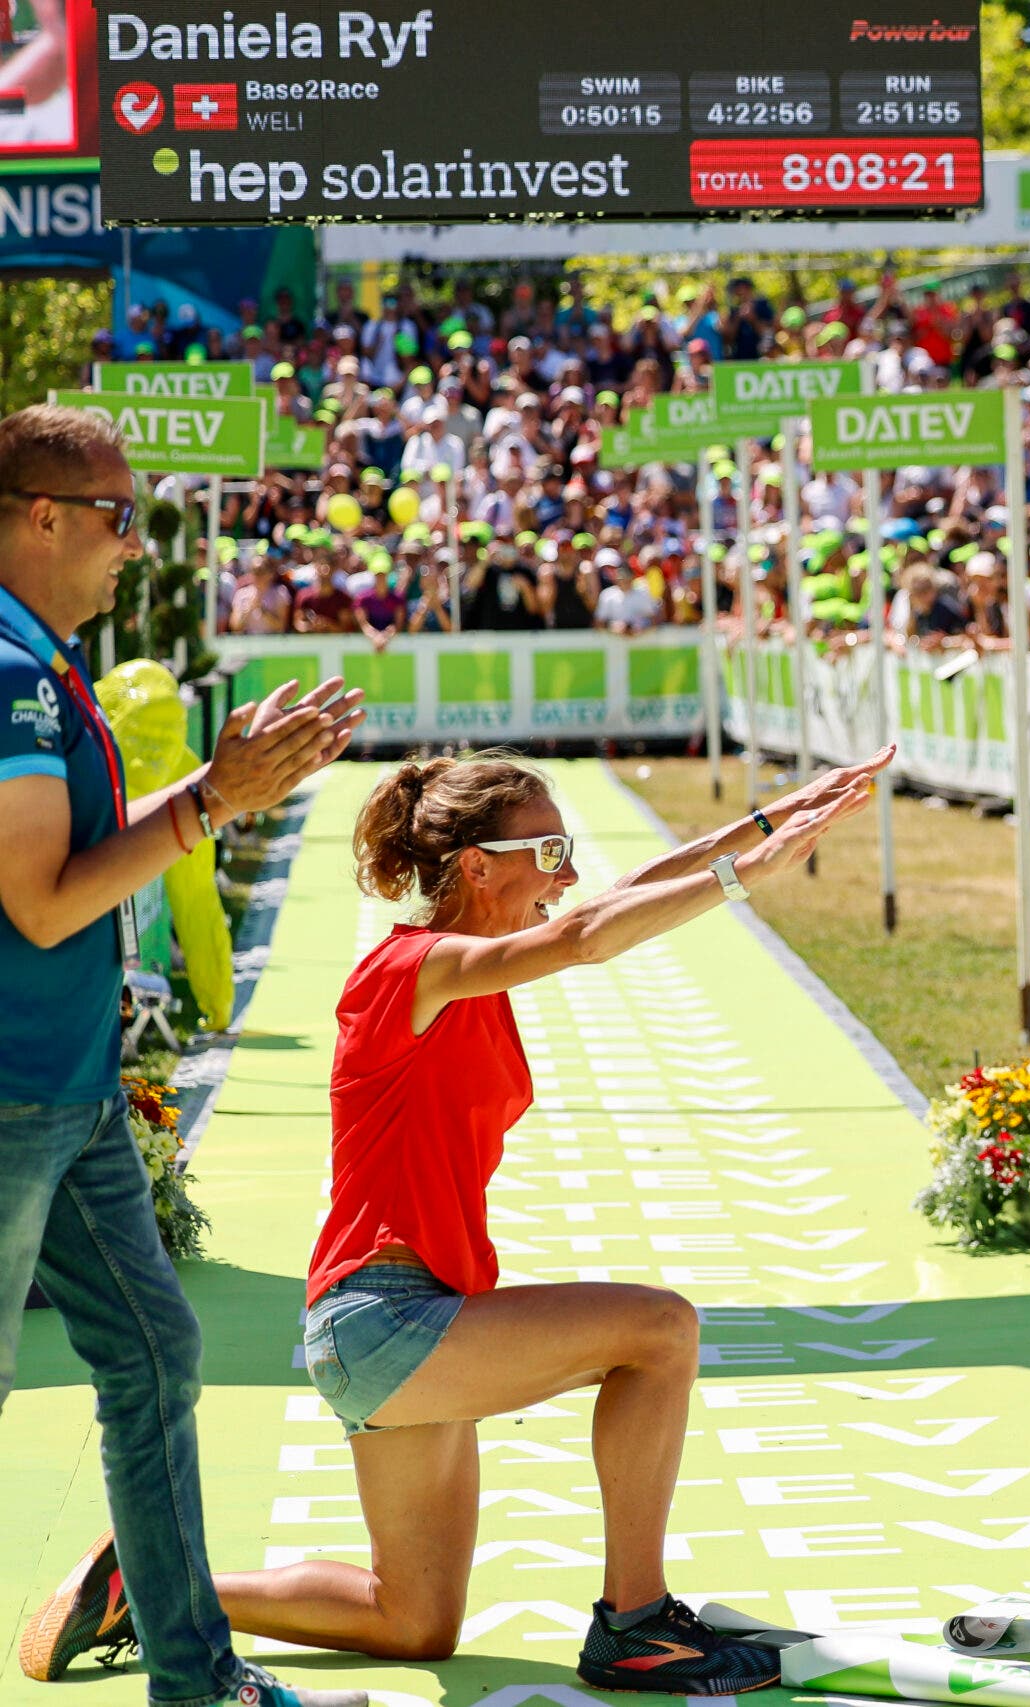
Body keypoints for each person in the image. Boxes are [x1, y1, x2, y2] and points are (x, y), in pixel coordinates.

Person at [39, 746, 893, 1692]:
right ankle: (637, 1623)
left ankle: (149, 1582)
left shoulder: (468, 964)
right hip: (387, 1320)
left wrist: (768, 822)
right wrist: (743, 877)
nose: (567, 876)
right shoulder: (416, 965)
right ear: (478, 864)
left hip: (386, 1326)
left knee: (411, 1620)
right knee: (662, 1328)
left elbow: (614, 902)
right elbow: (585, 937)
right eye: (550, 850)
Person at [0, 404, 368, 1707]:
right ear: (38, 514)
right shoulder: (6, 668)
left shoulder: (42, 659)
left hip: (70, 1086)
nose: (133, 547)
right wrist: (211, 801)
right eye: (117, 516)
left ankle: (196, 1678)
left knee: (156, 1355)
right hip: (16, 1093)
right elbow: (43, 900)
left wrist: (227, 783)